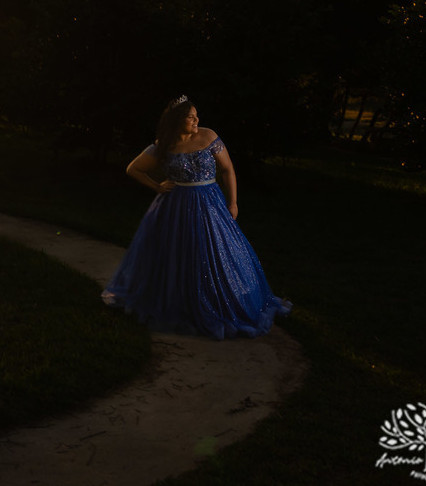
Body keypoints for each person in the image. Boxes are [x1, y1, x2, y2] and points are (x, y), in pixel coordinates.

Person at [102, 96, 291, 339]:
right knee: (176, 255)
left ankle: (220, 300)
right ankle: (180, 302)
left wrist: (232, 202)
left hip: (210, 203)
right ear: (176, 120)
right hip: (174, 206)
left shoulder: (209, 136)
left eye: (196, 115)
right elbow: (133, 168)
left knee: (214, 252)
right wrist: (157, 186)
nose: (196, 120)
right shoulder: (163, 145)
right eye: (191, 116)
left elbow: (227, 169)